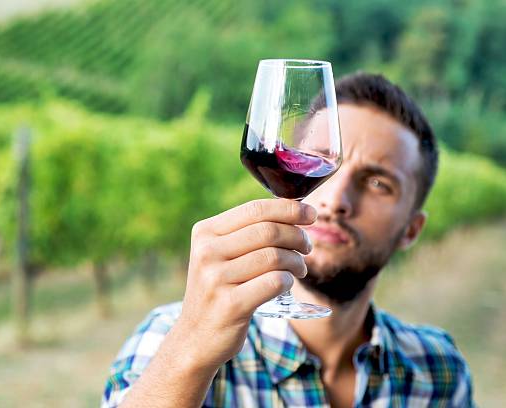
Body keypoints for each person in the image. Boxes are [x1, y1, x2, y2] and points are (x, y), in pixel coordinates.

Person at [102, 73, 474, 407]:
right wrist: (189, 353)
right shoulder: (173, 340)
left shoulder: (438, 372)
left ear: (412, 229)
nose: (335, 200)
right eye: (322, 160)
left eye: (378, 183)